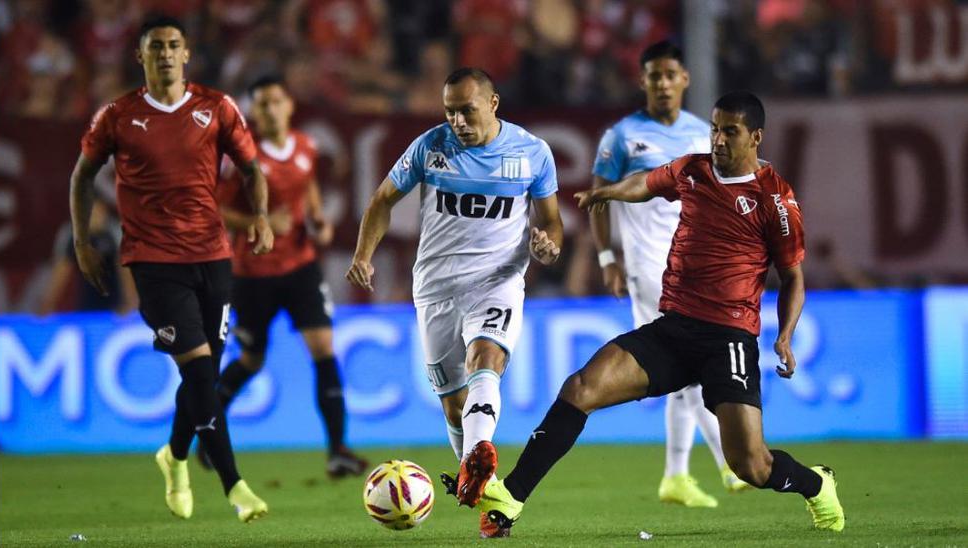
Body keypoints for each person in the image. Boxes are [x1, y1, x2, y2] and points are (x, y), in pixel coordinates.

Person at [467, 91, 846, 536]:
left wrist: (784, 336)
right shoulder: (694, 169)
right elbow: (646, 183)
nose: (718, 140)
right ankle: (510, 498)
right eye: (714, 128)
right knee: (581, 387)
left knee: (750, 466)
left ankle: (816, 483)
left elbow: (793, 277)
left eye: (730, 131)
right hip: (673, 330)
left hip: (729, 339)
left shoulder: (775, 199)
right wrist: (607, 192)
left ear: (756, 137)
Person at [70, 15, 272, 523]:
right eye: (155, 46)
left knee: (204, 374)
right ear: (140, 56)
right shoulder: (117, 116)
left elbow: (251, 169)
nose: (165, 53)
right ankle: (235, 486)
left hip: (214, 257)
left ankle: (174, 455)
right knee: (201, 374)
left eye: (173, 45)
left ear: (187, 54)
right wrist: (81, 241)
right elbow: (82, 176)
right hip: (154, 262)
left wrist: (263, 218)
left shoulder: (216, 107)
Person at [346, 68, 563, 538]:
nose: (458, 120)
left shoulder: (531, 154)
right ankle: (484, 487)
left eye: (467, 109)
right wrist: (363, 254)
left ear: (493, 104)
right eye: (450, 111)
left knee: (486, 356)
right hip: (437, 287)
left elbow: (552, 221)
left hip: (498, 281)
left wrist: (549, 246)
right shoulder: (431, 147)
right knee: (452, 405)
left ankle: (480, 453)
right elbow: (382, 200)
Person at [589, 41, 750, 507]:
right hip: (645, 267)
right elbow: (601, 198)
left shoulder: (706, 135)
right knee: (683, 367)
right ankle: (717, 464)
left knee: (687, 368)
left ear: (685, 80)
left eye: (670, 75)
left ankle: (685, 474)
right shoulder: (620, 137)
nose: (662, 83)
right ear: (642, 82)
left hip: (694, 267)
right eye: (653, 75)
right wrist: (606, 258)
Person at [202, 75, 368, 478]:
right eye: (262, 104)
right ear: (253, 112)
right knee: (252, 359)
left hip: (300, 266)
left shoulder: (306, 146)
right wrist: (258, 219)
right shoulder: (242, 157)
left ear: (289, 105)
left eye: (276, 101)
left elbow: (307, 186)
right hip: (252, 272)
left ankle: (338, 450)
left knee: (324, 347)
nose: (270, 109)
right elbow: (215, 208)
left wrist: (316, 217)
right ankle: (207, 436)